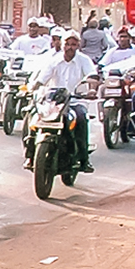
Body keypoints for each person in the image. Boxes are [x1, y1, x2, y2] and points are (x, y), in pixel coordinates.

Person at [30, 31, 98, 173]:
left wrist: (91, 90)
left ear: (78, 46)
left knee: (81, 120)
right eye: (67, 44)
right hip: (54, 102)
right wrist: (32, 89)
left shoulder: (84, 60)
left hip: (75, 101)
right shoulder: (54, 60)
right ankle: (30, 156)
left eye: (73, 44)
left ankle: (84, 160)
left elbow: (92, 76)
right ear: (62, 45)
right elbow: (42, 78)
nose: (70, 47)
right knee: (33, 118)